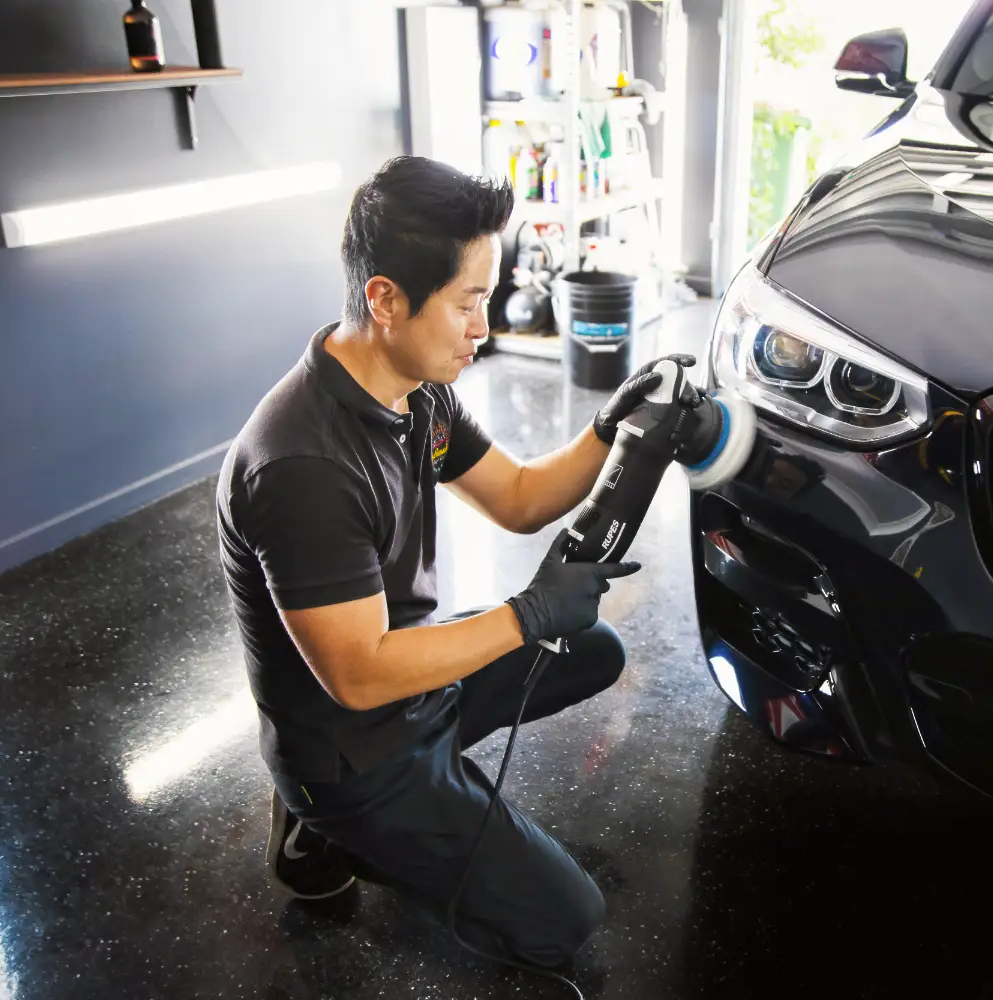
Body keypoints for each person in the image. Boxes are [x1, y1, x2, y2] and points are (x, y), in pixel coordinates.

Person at [215, 155, 693, 969]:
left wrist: (610, 428)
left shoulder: (413, 386)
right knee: (566, 922)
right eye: (469, 302)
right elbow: (360, 677)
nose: (486, 325)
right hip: (352, 748)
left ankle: (384, 800)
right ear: (386, 300)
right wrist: (526, 614)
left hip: (411, 686)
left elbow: (517, 495)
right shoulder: (301, 467)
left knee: (596, 649)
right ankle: (319, 822)